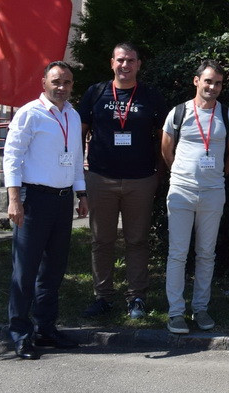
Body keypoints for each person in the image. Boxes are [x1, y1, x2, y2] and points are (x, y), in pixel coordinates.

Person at [3, 61, 89, 359]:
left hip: (62, 200)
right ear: (44, 83)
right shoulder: (29, 113)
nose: (61, 87)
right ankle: (20, 333)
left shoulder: (73, 116)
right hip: (34, 200)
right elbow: (12, 156)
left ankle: (46, 329)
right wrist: (14, 199)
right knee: (25, 270)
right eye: (56, 81)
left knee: (53, 270)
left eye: (67, 82)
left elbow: (75, 158)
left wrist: (81, 194)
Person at [79, 42, 167, 320]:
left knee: (137, 240)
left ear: (139, 64)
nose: (125, 65)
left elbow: (164, 139)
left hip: (140, 179)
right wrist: (79, 175)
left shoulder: (151, 96)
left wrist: (160, 173)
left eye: (130, 60)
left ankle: (136, 297)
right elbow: (79, 133)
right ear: (112, 63)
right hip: (101, 178)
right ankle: (102, 297)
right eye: (120, 60)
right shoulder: (95, 93)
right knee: (101, 240)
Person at [160, 60, 229, 334]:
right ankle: (175, 313)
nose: (212, 87)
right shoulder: (179, 112)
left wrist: (217, 175)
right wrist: (181, 173)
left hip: (213, 192)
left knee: (206, 254)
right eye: (208, 81)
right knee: (177, 254)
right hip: (181, 191)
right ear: (196, 81)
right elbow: (166, 148)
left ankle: (201, 308)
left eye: (218, 83)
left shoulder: (227, 115)